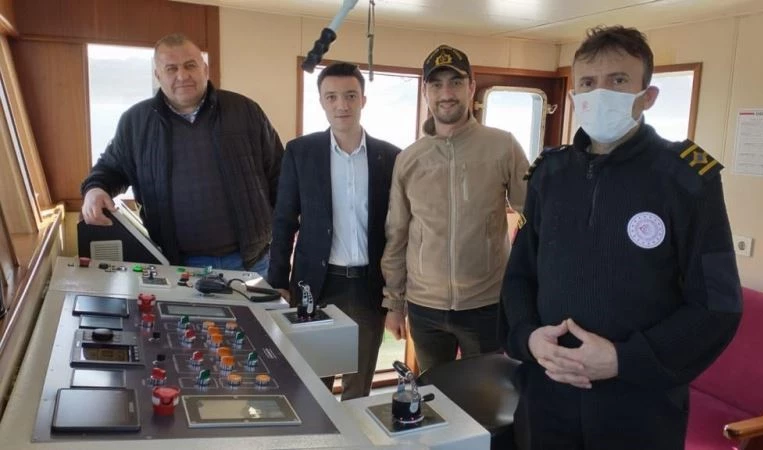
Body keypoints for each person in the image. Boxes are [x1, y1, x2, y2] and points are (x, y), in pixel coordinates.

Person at [500, 25, 742, 450]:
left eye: (618, 80)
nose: (601, 93)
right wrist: (528, 338)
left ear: (647, 96)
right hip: (547, 392)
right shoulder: (549, 174)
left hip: (639, 402)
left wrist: (622, 359)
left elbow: (717, 305)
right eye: (588, 83)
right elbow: (520, 276)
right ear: (574, 96)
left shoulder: (687, 179)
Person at [80, 33, 283, 277]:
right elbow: (111, 168)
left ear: (205, 69)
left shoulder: (245, 110)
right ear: (158, 75)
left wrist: (283, 236)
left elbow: (279, 173)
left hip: (253, 260)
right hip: (179, 264)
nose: (182, 76)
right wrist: (95, 189)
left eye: (190, 65)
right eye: (171, 68)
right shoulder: (135, 122)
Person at [381, 44, 529, 373]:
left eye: (456, 82)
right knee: (436, 394)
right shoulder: (409, 159)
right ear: (426, 92)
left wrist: (526, 293)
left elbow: (535, 219)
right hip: (425, 308)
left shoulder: (503, 146)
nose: (446, 93)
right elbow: (397, 235)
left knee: (487, 394)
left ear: (471, 87)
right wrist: (394, 304)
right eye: (436, 85)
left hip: (486, 305)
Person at [268, 62, 400, 399]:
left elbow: (400, 230)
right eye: (332, 97)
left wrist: (400, 294)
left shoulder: (390, 156)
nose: (342, 105)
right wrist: (277, 281)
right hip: (316, 284)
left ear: (363, 100)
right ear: (322, 102)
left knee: (359, 383)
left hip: (369, 286)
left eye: (350, 96)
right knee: (313, 385)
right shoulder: (300, 152)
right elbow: (284, 220)